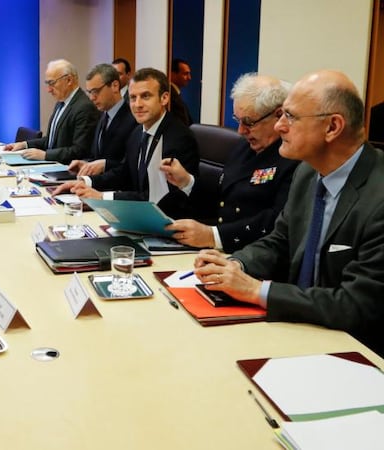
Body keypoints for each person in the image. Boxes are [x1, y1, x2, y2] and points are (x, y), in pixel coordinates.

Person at [193, 70, 384, 357]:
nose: (280, 126)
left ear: (332, 127)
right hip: (299, 330)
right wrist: (234, 265)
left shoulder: (378, 196)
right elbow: (280, 240)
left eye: (290, 117)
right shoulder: (307, 173)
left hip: (357, 351)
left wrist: (257, 291)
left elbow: (355, 305)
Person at [162, 73, 299, 252]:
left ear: (278, 115)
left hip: (253, 254)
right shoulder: (244, 147)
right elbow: (224, 199)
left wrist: (214, 236)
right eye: (238, 120)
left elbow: (275, 222)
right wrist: (187, 182)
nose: (241, 130)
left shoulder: (293, 157)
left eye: (249, 122)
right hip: (220, 248)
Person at [53, 67, 199, 218]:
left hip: (170, 225)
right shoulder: (138, 132)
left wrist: (103, 198)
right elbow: (125, 174)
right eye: (133, 97)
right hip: (141, 216)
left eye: (146, 96)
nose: (137, 104)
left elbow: (159, 198)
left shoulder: (179, 138)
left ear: (164, 98)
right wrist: (85, 182)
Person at [3, 59, 99, 164]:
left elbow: (80, 150)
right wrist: (24, 144)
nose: (49, 89)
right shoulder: (61, 102)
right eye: (47, 83)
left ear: (69, 80)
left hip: (68, 171)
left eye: (52, 83)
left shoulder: (84, 107)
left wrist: (45, 155)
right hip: (53, 165)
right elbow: (51, 141)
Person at [66, 62, 137, 177]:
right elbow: (99, 156)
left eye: (95, 91)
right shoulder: (102, 116)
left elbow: (130, 166)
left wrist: (104, 165)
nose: (92, 98)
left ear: (114, 86)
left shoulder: (133, 119)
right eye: (89, 92)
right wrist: (87, 164)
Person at [169, 58, 193, 126]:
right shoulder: (170, 96)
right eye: (185, 74)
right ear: (172, 74)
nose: (189, 78)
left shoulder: (175, 94)